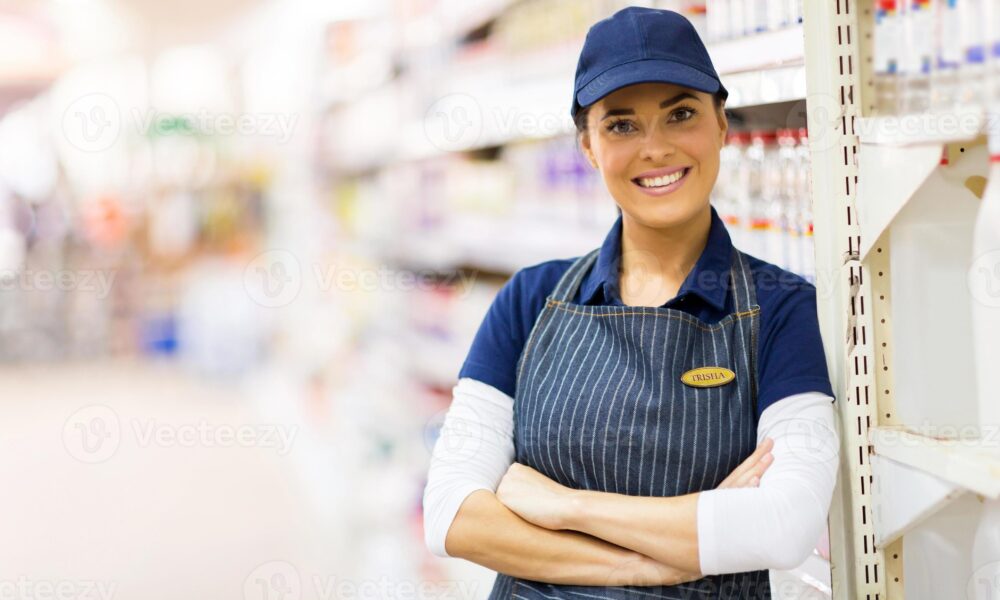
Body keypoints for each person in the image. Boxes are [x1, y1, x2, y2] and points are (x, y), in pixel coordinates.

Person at [422, 7, 839, 600]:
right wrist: (651, 560)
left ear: (722, 124)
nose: (655, 148)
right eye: (621, 125)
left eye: (681, 114)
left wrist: (560, 506)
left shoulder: (782, 309)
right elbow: (452, 516)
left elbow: (783, 523)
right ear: (588, 146)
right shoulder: (528, 300)